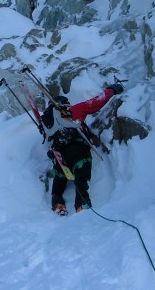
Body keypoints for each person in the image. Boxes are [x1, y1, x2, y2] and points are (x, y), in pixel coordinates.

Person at [41, 83, 123, 215]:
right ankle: (81, 204)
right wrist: (111, 90)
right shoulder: (73, 111)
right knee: (81, 173)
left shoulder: (48, 123)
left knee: (60, 175)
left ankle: (58, 203)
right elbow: (95, 103)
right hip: (77, 149)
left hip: (59, 154)